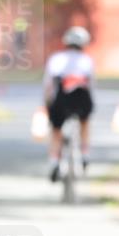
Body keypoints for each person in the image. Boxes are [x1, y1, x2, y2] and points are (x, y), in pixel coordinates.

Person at [44, 25, 94, 181]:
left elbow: (48, 84)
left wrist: (47, 103)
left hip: (61, 98)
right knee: (85, 122)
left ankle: (54, 161)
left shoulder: (57, 59)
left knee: (56, 130)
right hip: (82, 98)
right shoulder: (87, 61)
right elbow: (91, 85)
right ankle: (85, 154)